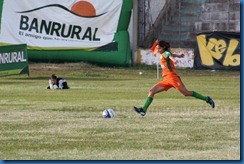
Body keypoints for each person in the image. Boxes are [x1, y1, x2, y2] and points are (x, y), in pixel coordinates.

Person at [133, 40, 215, 116]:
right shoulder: (164, 53)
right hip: (166, 79)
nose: (158, 49)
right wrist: (178, 55)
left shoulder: (165, 53)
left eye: (159, 48)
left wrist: (174, 59)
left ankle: (207, 99)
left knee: (186, 93)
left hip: (173, 78)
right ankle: (143, 110)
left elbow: (169, 55)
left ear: (163, 48)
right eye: (157, 48)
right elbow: (170, 54)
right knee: (152, 91)